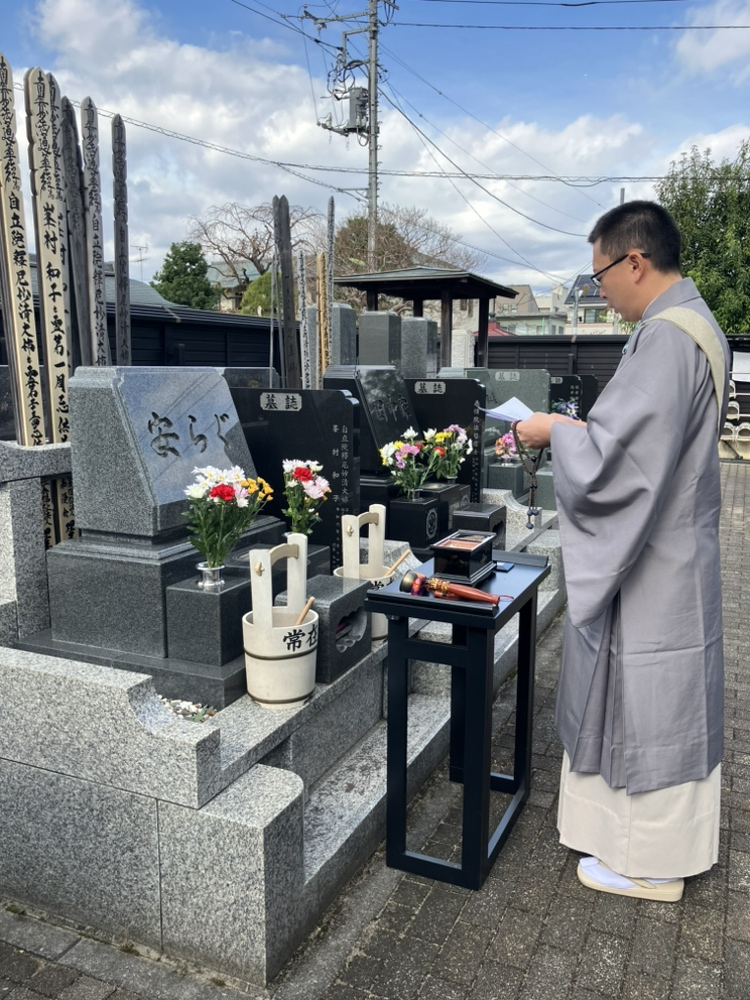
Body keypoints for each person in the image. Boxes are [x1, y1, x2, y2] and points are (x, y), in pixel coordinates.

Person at [515, 200, 730, 902]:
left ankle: (653, 862)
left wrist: (554, 431)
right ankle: (638, 843)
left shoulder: (665, 337)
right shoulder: (699, 324)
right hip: (674, 542)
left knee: (650, 698)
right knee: (659, 693)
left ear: (634, 261)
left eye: (601, 274)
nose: (599, 289)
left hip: (651, 555)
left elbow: (617, 463)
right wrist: (577, 430)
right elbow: (639, 441)